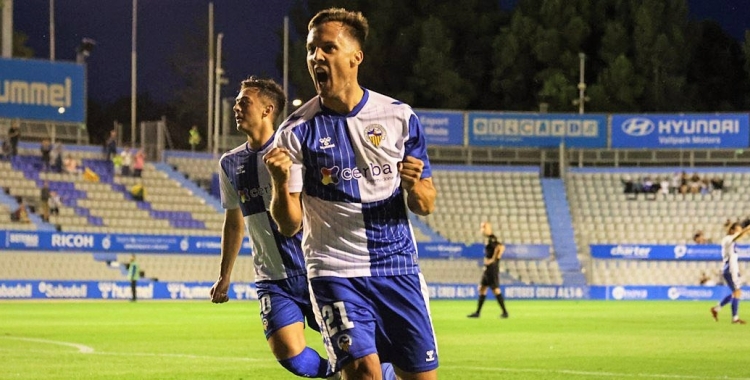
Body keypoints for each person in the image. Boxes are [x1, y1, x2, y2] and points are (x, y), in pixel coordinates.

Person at [264, 8, 438, 380]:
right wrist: (280, 183)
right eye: (312, 49)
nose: (316, 57)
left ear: (355, 57)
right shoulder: (295, 132)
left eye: (328, 47)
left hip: (397, 267)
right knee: (362, 371)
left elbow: (425, 204)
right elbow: (288, 223)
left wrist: (414, 185)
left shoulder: (399, 117)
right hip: (334, 268)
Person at [211, 77, 341, 379]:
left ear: (268, 109)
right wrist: (224, 276)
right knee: (289, 354)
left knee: (354, 349)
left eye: (245, 102)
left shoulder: (294, 151)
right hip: (273, 278)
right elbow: (233, 223)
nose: (236, 107)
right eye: (237, 101)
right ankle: (335, 374)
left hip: (315, 270)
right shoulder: (229, 163)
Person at [710, 222, 750, 324]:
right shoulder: (728, 239)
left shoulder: (731, 241)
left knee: (736, 293)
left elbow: (740, 236)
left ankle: (716, 309)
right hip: (730, 269)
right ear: (732, 230)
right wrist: (747, 229)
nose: (739, 231)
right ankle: (735, 318)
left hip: (732, 268)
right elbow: (739, 236)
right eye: (738, 229)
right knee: (737, 292)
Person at [468, 222, 509, 319]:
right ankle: (477, 312)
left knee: (495, 289)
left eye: (484, 227)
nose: (482, 229)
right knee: (482, 288)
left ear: (488, 228)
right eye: (481, 227)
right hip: (488, 268)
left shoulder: (492, 238)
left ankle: (505, 312)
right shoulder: (488, 239)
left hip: (492, 268)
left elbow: (501, 247)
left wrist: (494, 259)